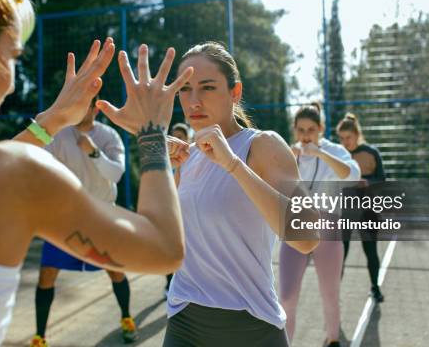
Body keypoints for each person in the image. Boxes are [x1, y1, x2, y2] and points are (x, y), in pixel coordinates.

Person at [0, 0, 192, 346]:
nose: (12, 83)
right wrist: (151, 134)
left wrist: (55, 118)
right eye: (13, 55)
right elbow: (164, 249)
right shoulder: (16, 177)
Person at [151, 42, 319, 347]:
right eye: (185, 89)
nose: (194, 100)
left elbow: (307, 237)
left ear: (235, 92)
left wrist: (232, 165)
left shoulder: (262, 145)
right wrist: (165, 172)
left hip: (251, 326)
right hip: (185, 319)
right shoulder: (187, 157)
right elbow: (163, 241)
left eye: (207, 87)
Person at [32, 98, 137, 346]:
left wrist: (94, 153)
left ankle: (126, 318)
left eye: (84, 106)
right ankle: (39, 336)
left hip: (101, 217)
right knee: (46, 275)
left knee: (116, 271)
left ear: (94, 109)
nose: (78, 110)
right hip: (65, 218)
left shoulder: (109, 136)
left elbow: (116, 173)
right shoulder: (59, 135)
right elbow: (38, 158)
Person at [278, 103, 360, 347]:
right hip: (295, 227)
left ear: (321, 129)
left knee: (330, 294)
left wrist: (320, 154)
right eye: (301, 130)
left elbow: (353, 175)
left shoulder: (334, 151)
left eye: (311, 130)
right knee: (287, 296)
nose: (306, 136)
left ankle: (333, 339)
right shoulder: (286, 152)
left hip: (328, 227)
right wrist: (286, 161)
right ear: (294, 130)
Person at [336, 113, 386, 302]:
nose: (345, 141)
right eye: (341, 138)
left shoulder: (372, 153)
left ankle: (375, 287)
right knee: (341, 252)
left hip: (368, 210)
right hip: (346, 210)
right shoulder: (338, 155)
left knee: (371, 251)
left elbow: (382, 181)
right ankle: (334, 290)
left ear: (357, 134)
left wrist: (367, 183)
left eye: (348, 137)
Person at [163, 122, 192, 298]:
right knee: (171, 251)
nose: (175, 140)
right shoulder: (165, 162)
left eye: (180, 137)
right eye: (173, 136)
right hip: (172, 215)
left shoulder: (193, 160)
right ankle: (169, 284)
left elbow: (294, 232)